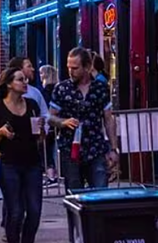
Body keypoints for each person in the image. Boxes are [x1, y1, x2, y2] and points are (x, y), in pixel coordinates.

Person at [0, 68, 45, 243]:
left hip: (32, 163)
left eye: (25, 79)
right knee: (16, 211)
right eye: (20, 79)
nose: (25, 82)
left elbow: (39, 138)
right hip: (10, 164)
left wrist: (42, 131)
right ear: (9, 84)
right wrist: (1, 133)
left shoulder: (32, 105)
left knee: (34, 211)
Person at [49, 48, 119, 192]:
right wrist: (63, 122)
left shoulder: (100, 88)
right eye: (69, 67)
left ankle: (98, 215)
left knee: (100, 192)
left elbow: (108, 119)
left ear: (87, 67)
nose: (71, 71)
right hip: (70, 149)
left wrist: (113, 148)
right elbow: (50, 116)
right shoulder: (62, 88)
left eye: (75, 68)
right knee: (75, 194)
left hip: (96, 147)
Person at [38, 65, 59, 184]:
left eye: (41, 73)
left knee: (45, 148)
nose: (40, 76)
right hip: (56, 122)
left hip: (49, 123)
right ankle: (53, 173)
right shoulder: (57, 88)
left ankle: (51, 174)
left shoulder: (45, 91)